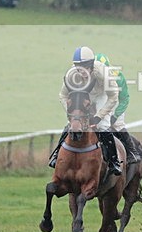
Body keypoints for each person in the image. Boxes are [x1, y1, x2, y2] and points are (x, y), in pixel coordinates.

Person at [48, 46, 122, 176]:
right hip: (84, 96)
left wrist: (99, 116)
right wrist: (71, 115)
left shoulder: (102, 73)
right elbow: (63, 95)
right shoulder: (71, 74)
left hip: (102, 95)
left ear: (91, 65)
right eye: (78, 67)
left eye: (84, 67)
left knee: (103, 126)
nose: (81, 71)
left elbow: (113, 97)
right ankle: (56, 154)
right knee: (72, 124)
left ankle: (113, 161)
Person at [95, 52, 142, 164]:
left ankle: (133, 152)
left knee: (117, 125)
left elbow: (124, 99)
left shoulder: (117, 76)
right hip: (100, 103)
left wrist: (116, 115)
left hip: (116, 104)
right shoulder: (92, 74)